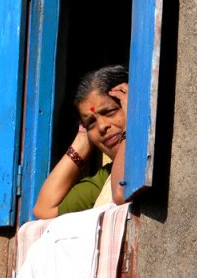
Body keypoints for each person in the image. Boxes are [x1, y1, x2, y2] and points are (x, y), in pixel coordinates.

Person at [32, 65, 129, 219]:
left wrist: (132, 124)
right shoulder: (106, 178)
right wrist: (82, 141)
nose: (102, 126)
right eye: (91, 122)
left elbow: (123, 190)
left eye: (110, 112)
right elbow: (44, 210)